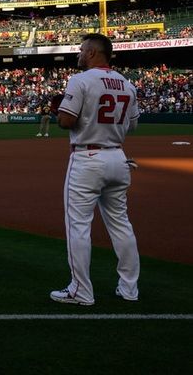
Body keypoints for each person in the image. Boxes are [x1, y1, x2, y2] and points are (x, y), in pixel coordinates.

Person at [50, 33, 140, 306]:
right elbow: (133, 125)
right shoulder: (127, 84)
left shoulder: (80, 80)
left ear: (92, 52)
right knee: (121, 225)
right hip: (118, 157)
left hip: (87, 157)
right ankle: (129, 289)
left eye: (81, 50)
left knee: (78, 226)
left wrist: (58, 111)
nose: (78, 54)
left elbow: (66, 121)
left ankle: (82, 291)